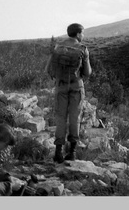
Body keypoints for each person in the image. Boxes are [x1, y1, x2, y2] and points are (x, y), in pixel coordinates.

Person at [46, 23, 92, 163]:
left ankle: (58, 152)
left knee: (60, 118)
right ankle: (71, 152)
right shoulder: (83, 49)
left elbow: (48, 69)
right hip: (76, 87)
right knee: (74, 118)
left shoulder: (57, 48)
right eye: (82, 33)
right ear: (78, 34)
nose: (83, 36)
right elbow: (87, 72)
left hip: (60, 87)